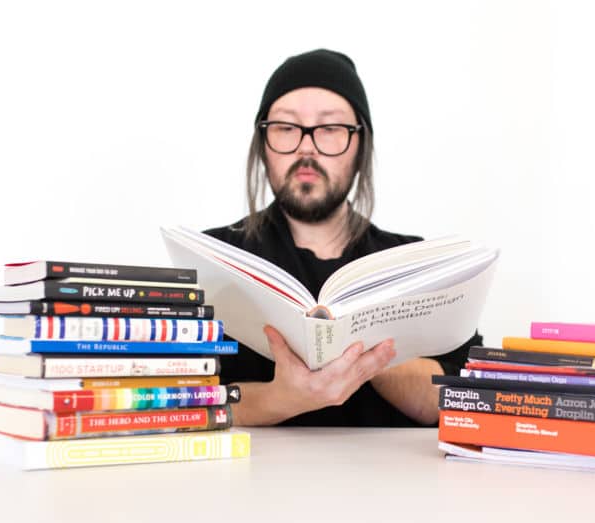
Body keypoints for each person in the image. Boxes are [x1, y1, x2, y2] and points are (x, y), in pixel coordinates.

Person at [204, 49, 482, 427]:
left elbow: (465, 398)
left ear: (360, 145)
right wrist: (278, 398)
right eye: (286, 128)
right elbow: (180, 400)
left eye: (330, 129)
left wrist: (360, 354)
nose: (306, 147)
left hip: (394, 486)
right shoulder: (214, 259)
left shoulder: (414, 264)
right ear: (263, 144)